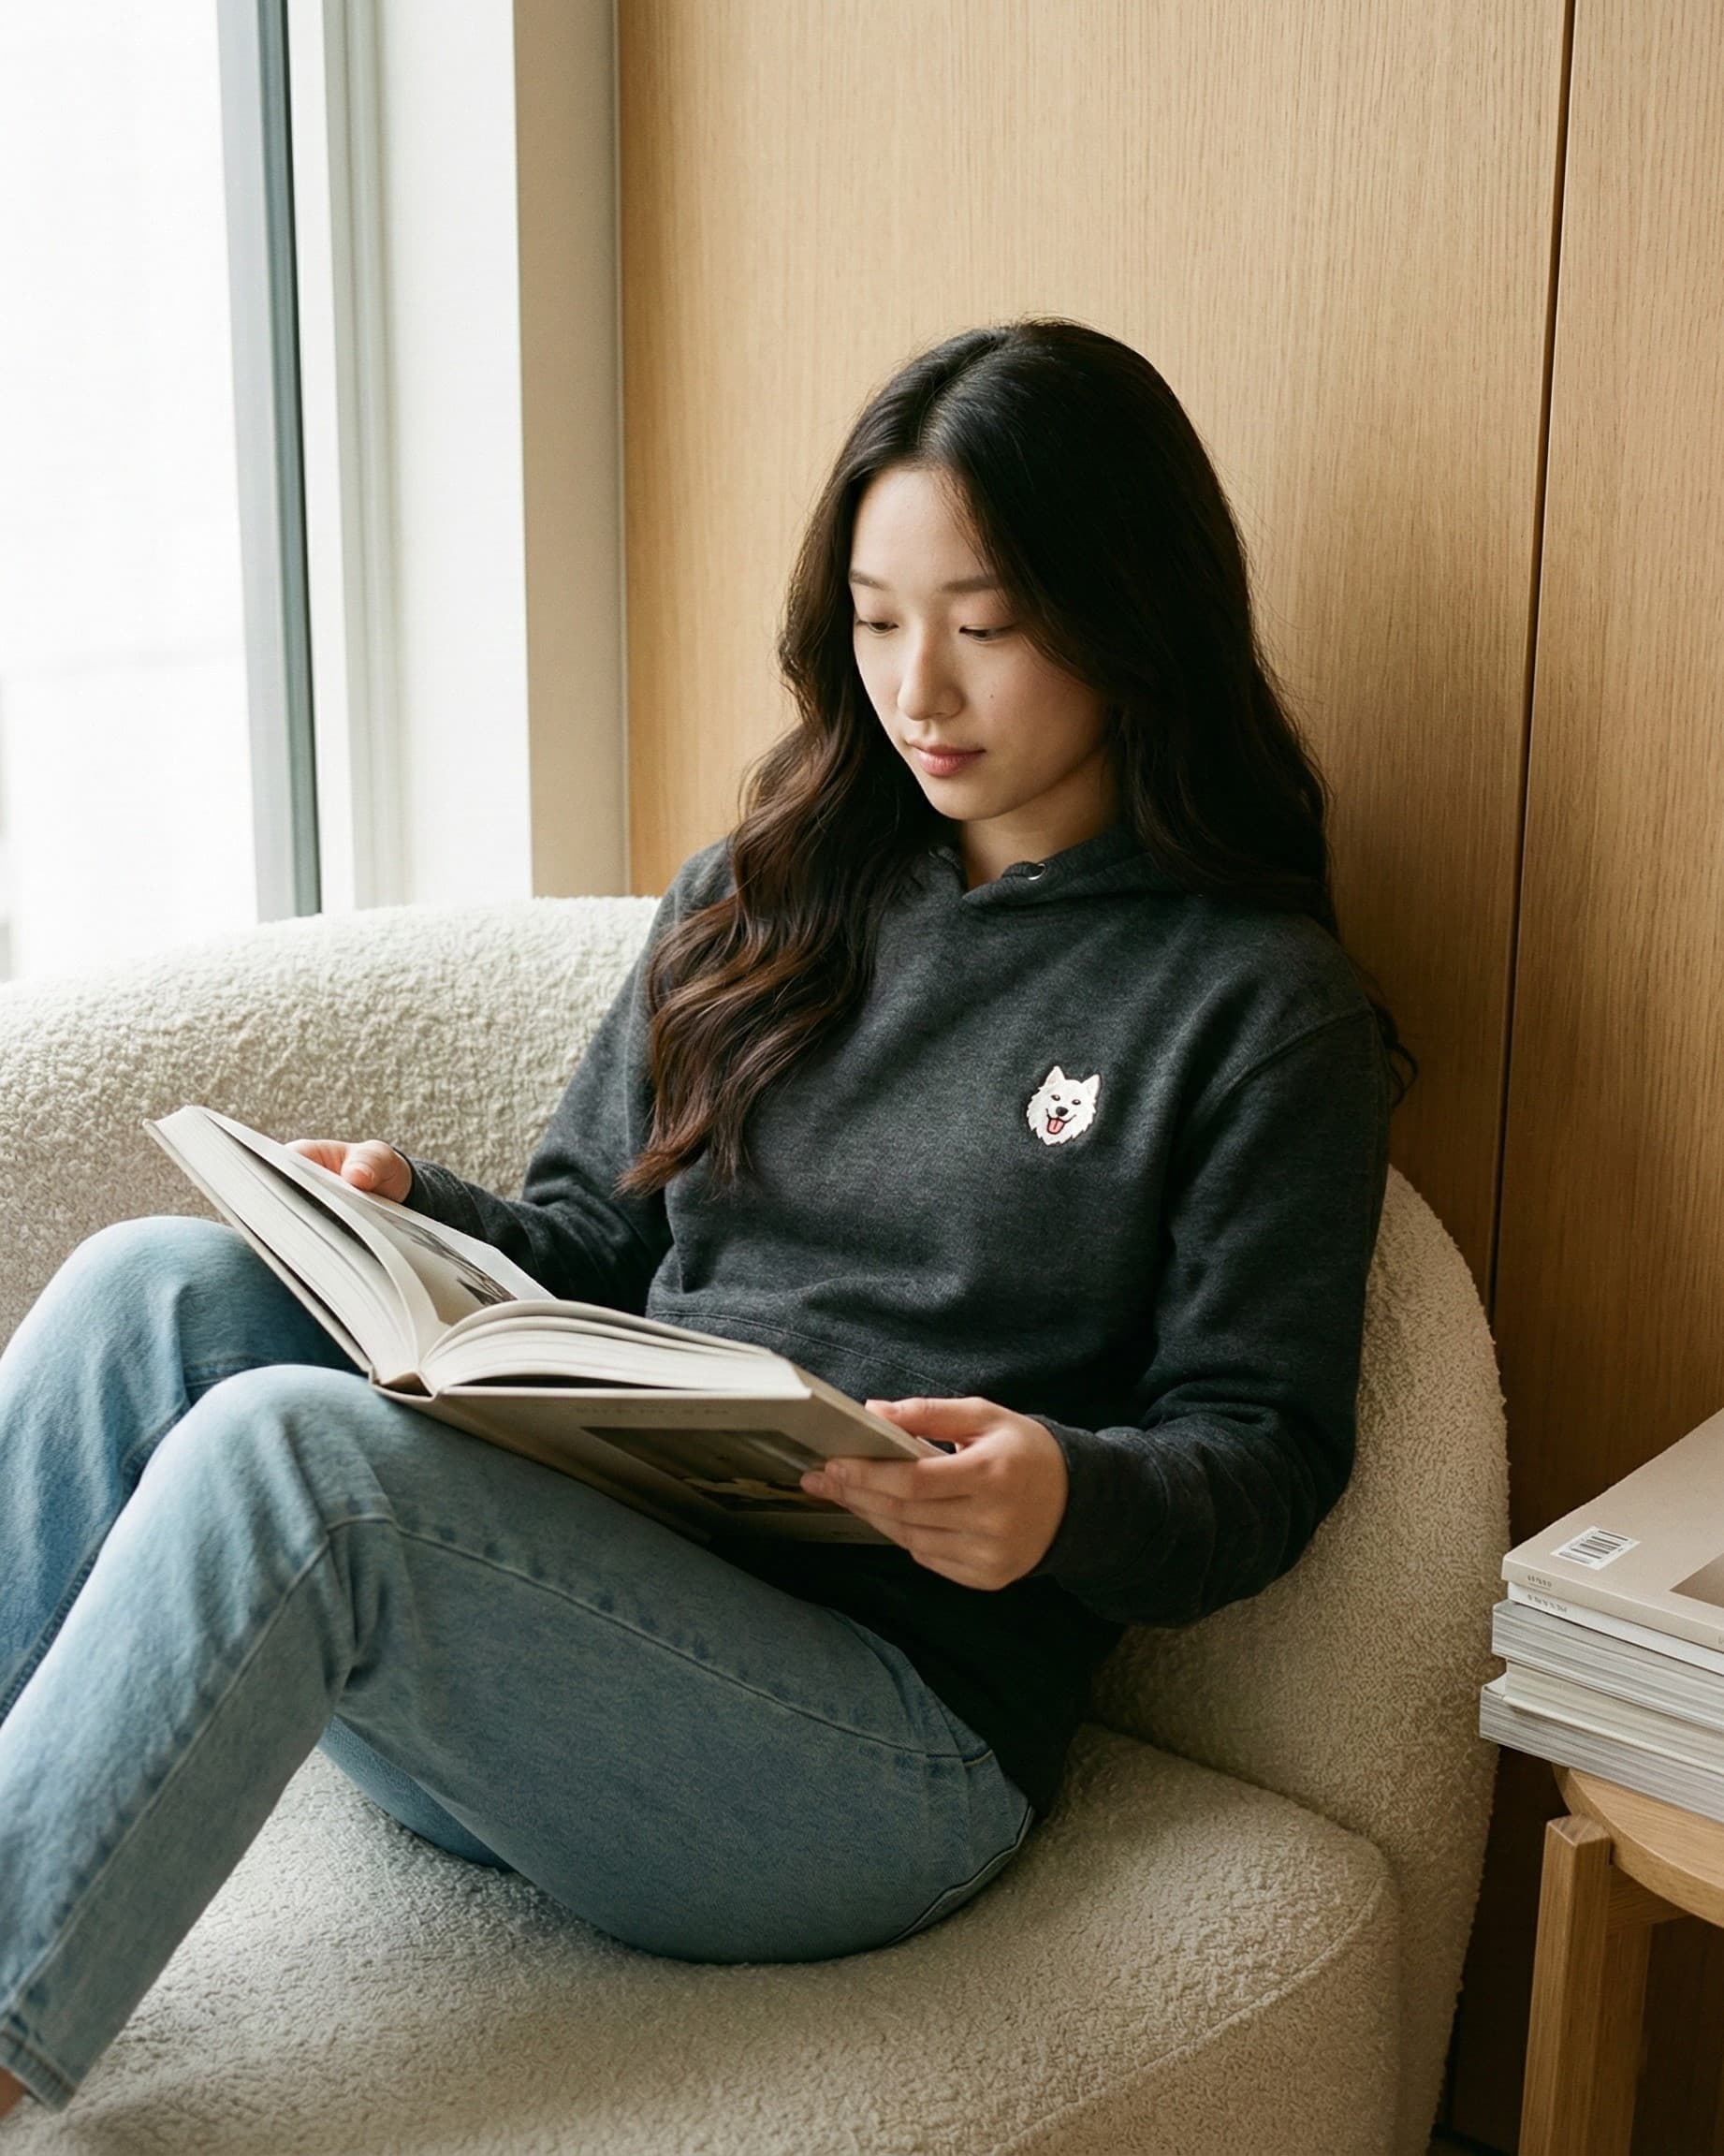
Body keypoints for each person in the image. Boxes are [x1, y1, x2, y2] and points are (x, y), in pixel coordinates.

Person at [0, 316, 1406, 2120]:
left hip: (872, 1751)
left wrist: (1055, 1494)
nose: (921, 692)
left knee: (298, 1461)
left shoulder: (1251, 1004)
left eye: (984, 626)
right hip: (566, 1644)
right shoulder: (767, 893)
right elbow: (592, 1248)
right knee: (160, 1290)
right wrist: (406, 1218)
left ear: (1132, 618)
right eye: (876, 622)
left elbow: (1263, 1451)